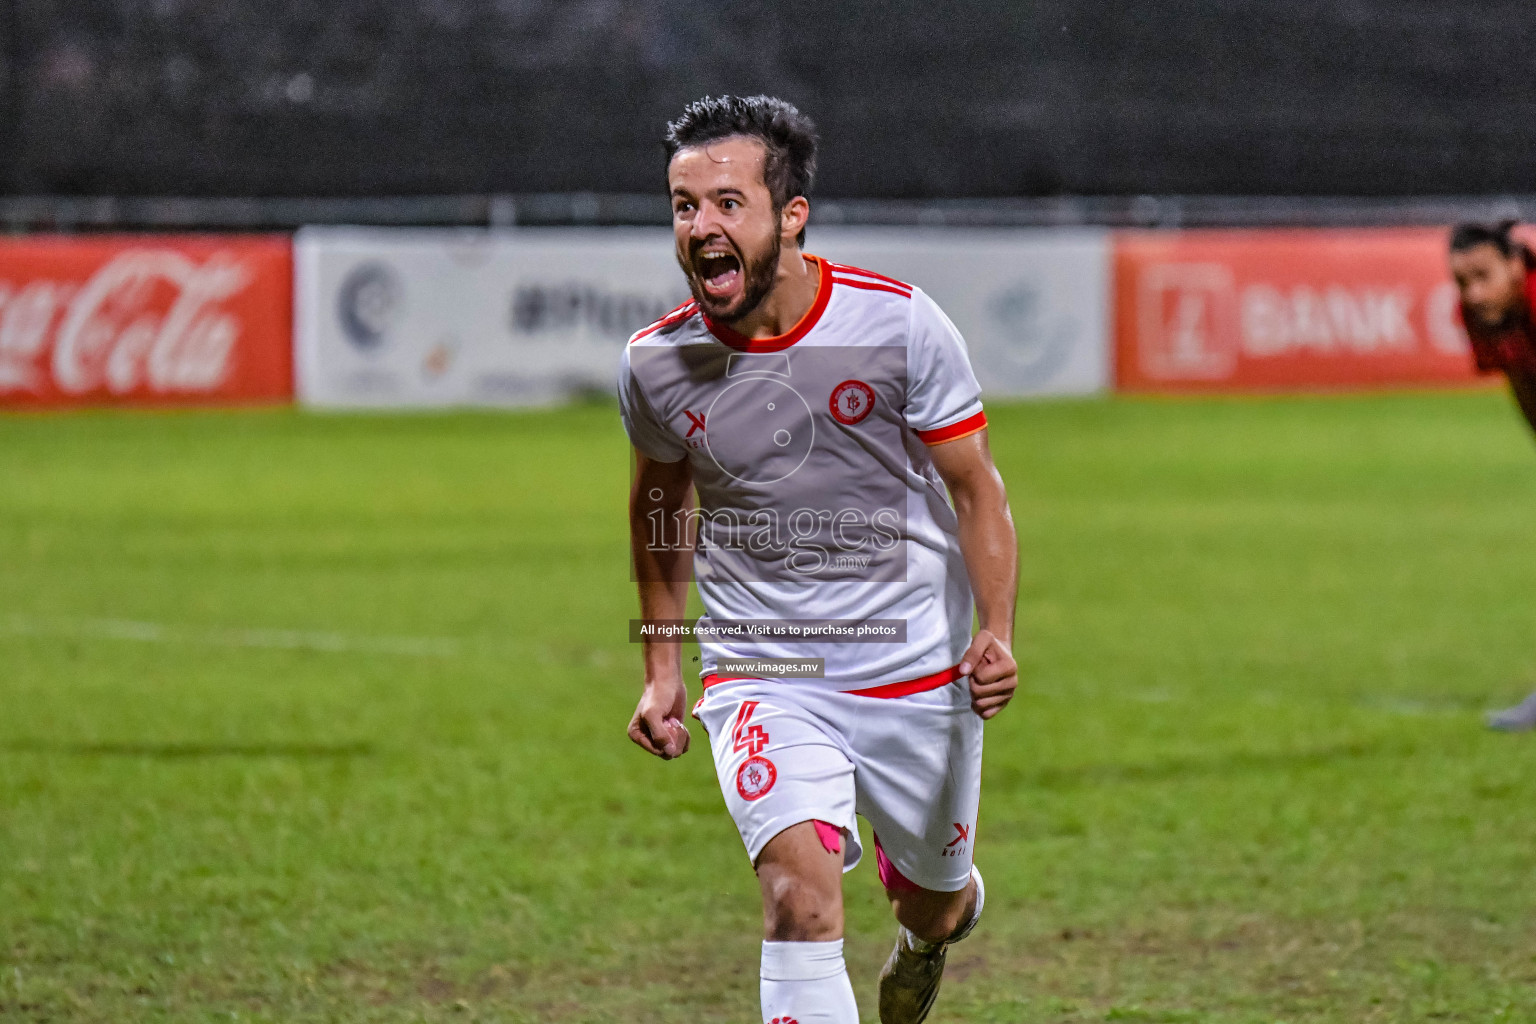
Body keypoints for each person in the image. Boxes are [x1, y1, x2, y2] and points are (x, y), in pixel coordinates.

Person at [617, 95, 1019, 1024]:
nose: (700, 227)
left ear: (789, 214)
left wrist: (994, 632)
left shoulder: (900, 325)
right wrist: (662, 667)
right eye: (684, 206)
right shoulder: (655, 363)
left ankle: (928, 930)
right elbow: (657, 505)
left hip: (914, 670)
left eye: (726, 204)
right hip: (768, 672)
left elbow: (976, 492)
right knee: (798, 902)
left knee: (936, 899)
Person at [1448, 220, 1536, 731]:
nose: (1474, 292)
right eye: (1462, 281)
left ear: (1516, 265)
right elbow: (1522, 380)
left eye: (1484, 275)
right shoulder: (1480, 314)